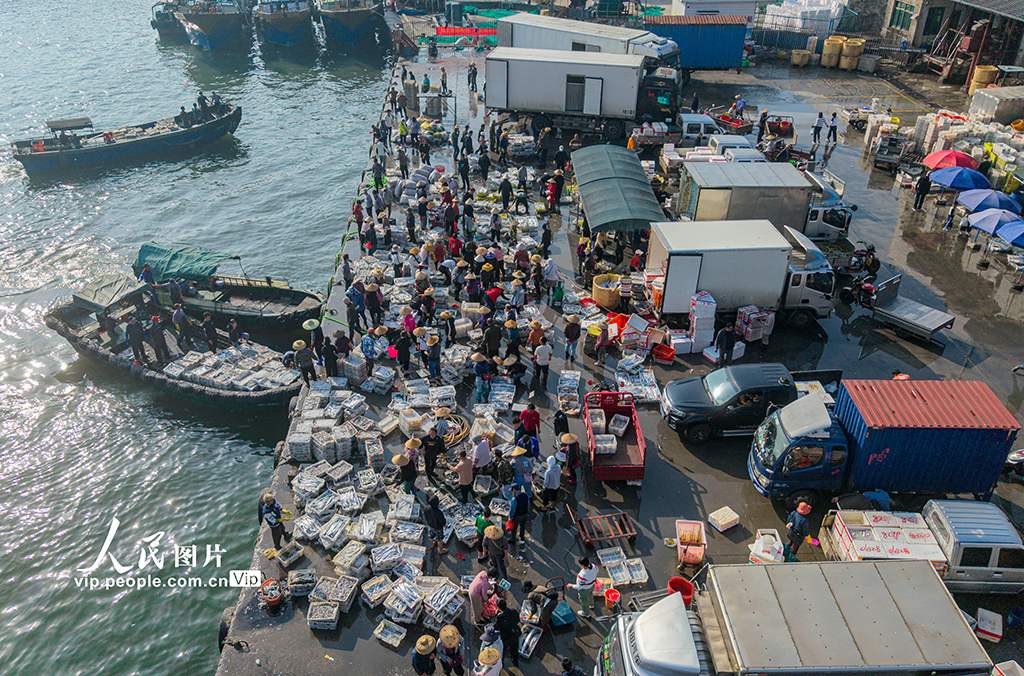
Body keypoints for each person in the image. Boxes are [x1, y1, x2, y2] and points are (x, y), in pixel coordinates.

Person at [493, 599, 522, 668]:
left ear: (499, 608)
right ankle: (515, 662)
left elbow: (496, 627)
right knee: (514, 650)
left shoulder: (500, 617)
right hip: (514, 634)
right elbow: (518, 620)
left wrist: (496, 615)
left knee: (502, 651)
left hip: (505, 637)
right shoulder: (514, 611)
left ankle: (501, 665)